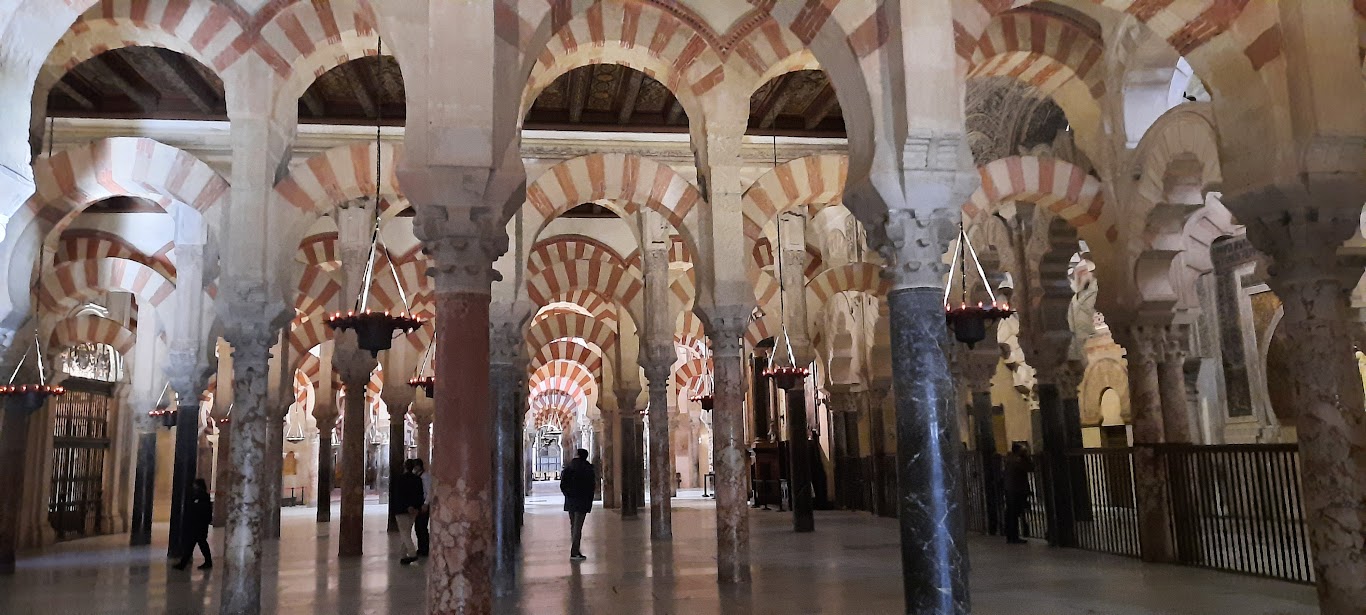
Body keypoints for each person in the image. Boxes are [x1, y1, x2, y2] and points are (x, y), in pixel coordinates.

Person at [559, 448, 596, 561]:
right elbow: (591, 486)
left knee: (573, 526)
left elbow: (563, 484)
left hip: (571, 500)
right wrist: (588, 499)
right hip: (582, 501)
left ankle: (575, 549)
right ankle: (575, 551)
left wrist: (568, 495)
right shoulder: (588, 468)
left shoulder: (569, 467)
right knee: (577, 527)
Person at [173, 479, 213, 570]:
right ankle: (184, 563)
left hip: (198, 526)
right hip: (198, 525)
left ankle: (184, 564)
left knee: (196, 544)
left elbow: (201, 512)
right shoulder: (199, 496)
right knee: (195, 544)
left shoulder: (201, 497)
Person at [393, 458, 426, 565]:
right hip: (414, 511)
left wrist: (407, 506)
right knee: (406, 531)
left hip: (401, 510)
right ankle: (403, 555)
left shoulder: (399, 479)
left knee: (404, 533)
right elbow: (420, 495)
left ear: (405, 467)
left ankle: (412, 554)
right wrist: (416, 507)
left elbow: (398, 495)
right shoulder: (417, 479)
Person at [1002, 442, 1035, 544]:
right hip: (1016, 490)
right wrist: (1027, 457)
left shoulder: (1009, 459)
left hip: (1010, 489)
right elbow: (1030, 468)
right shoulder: (1017, 460)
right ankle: (1014, 536)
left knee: (1011, 513)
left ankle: (1011, 535)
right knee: (1014, 513)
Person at [414, 458, 430, 557]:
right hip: (419, 504)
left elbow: (429, 491)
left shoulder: (426, 477)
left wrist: (426, 503)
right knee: (418, 527)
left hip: (424, 504)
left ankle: (425, 549)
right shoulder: (417, 476)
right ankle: (421, 548)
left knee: (422, 527)